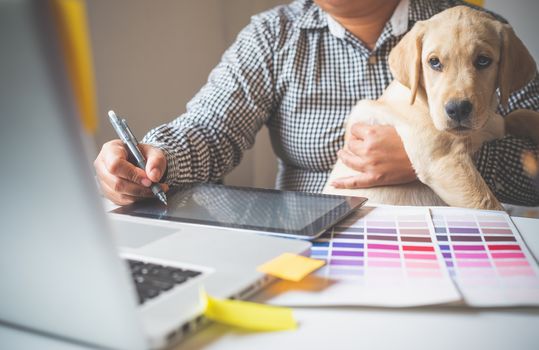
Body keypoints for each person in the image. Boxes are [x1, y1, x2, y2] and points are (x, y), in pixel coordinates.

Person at [94, 0, 539, 206]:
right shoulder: (274, 35)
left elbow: (535, 162)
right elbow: (212, 128)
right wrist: (154, 158)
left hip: (459, 246)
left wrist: (429, 157)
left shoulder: (473, 27)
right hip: (318, 246)